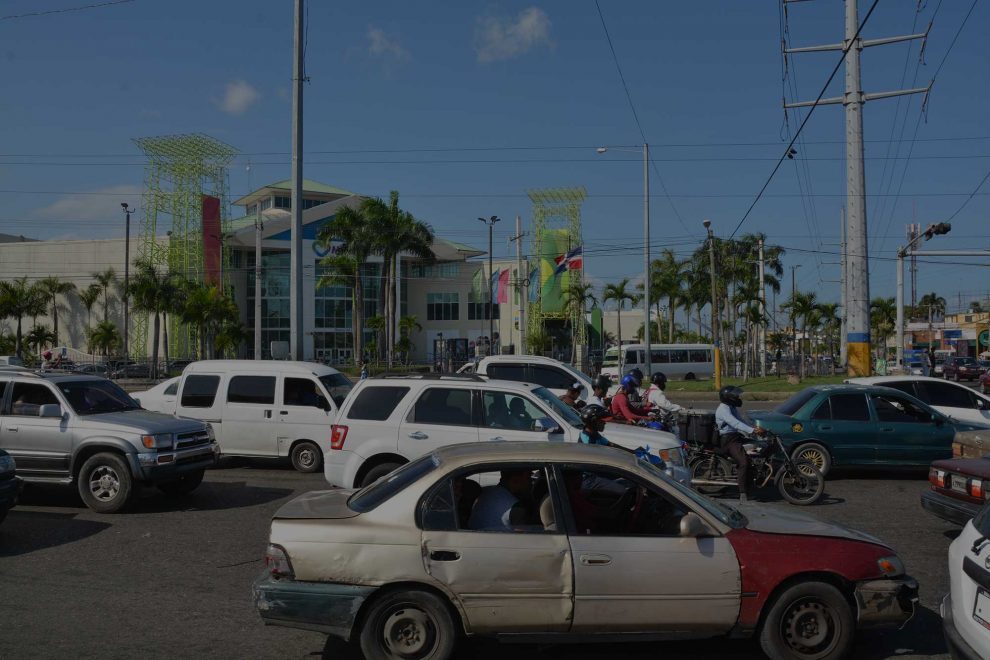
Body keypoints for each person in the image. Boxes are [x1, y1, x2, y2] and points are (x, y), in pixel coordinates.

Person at [715, 385, 766, 503]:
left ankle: (752, 482)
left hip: (735, 436)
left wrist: (753, 429)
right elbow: (735, 423)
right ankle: (743, 492)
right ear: (729, 398)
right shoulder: (723, 409)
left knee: (758, 447)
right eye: (736, 396)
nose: (738, 398)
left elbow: (741, 420)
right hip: (728, 440)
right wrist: (752, 430)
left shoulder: (731, 407)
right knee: (744, 462)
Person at [468, 468, 533, 531]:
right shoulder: (516, 507)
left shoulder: (485, 492)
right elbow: (524, 539)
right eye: (528, 477)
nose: (531, 482)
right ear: (515, 480)